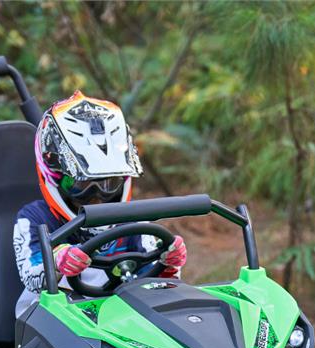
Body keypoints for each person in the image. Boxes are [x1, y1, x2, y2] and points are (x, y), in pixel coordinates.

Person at [13, 91, 187, 316]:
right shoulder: (33, 219)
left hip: (114, 321)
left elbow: (154, 280)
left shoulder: (133, 219)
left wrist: (169, 263)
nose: (97, 196)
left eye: (109, 183)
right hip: (48, 321)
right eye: (81, 184)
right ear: (55, 178)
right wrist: (56, 260)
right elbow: (30, 274)